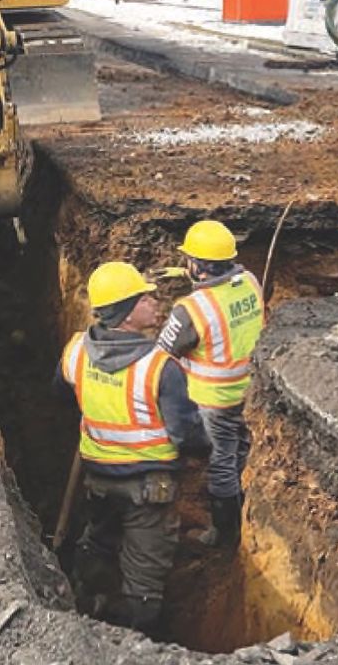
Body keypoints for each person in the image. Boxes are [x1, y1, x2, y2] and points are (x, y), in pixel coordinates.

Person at [56, 261, 209, 634]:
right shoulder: (160, 367)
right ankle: (141, 642)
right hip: (148, 491)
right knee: (145, 575)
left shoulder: (76, 350)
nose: (155, 301)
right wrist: (204, 451)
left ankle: (83, 596)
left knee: (99, 541)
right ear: (126, 314)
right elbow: (186, 433)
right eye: (145, 297)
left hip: (97, 478)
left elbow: (61, 397)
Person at [156, 220, 264, 549]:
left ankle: (223, 533)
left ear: (198, 266)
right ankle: (246, 507)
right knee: (243, 450)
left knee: (220, 463)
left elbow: (161, 356)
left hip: (214, 400)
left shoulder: (191, 309)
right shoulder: (249, 281)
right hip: (251, 391)